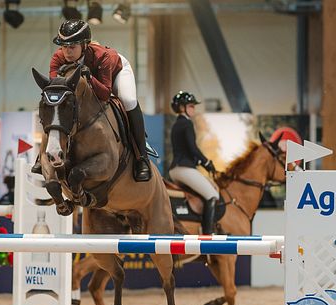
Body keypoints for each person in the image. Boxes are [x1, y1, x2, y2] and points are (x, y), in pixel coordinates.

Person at [31, 19, 151, 182]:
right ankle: (42, 156)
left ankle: (141, 158)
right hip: (91, 80)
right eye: (64, 46)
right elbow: (56, 93)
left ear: (85, 45)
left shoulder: (102, 57)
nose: (67, 52)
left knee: (128, 100)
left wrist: (90, 78)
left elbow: (104, 95)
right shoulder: (58, 58)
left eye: (72, 46)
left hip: (116, 73)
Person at [168, 91, 219, 234]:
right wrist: (207, 163)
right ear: (182, 108)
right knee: (212, 195)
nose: (193, 109)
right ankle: (208, 234)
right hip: (184, 169)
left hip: (175, 170)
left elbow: (188, 150)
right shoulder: (187, 123)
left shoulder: (177, 124)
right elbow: (193, 148)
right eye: (191, 106)